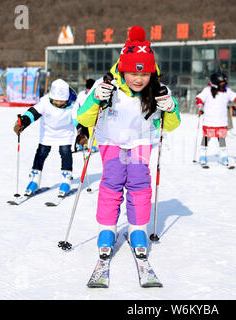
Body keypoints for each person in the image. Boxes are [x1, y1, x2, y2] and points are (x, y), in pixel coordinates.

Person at [76, 25, 181, 259]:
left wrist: (170, 108)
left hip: (141, 141)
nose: (138, 79)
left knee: (139, 185)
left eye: (144, 74)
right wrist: (95, 99)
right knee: (112, 183)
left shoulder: (158, 91)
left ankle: (137, 229)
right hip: (111, 141)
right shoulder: (106, 87)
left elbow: (172, 125)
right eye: (133, 73)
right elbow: (83, 118)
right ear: (123, 69)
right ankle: (107, 230)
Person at [13, 79, 79, 197]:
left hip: (65, 134)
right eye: (56, 100)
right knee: (41, 153)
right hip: (47, 134)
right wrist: (23, 122)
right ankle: (34, 180)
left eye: (61, 100)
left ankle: (66, 180)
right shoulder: (45, 102)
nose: (58, 103)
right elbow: (33, 112)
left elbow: (77, 120)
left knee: (65, 153)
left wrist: (82, 132)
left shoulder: (73, 105)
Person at [196, 72, 236, 166]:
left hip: (221, 121)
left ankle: (224, 156)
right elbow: (199, 99)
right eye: (222, 83)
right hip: (209, 121)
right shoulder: (207, 90)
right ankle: (202, 155)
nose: (224, 85)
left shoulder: (227, 91)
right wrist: (200, 108)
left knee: (222, 139)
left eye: (225, 83)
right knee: (206, 138)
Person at [74, 78, 95, 152]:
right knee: (82, 131)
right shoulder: (81, 94)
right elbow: (77, 104)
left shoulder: (94, 94)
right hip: (82, 115)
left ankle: (93, 146)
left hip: (91, 115)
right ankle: (81, 145)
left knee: (91, 131)